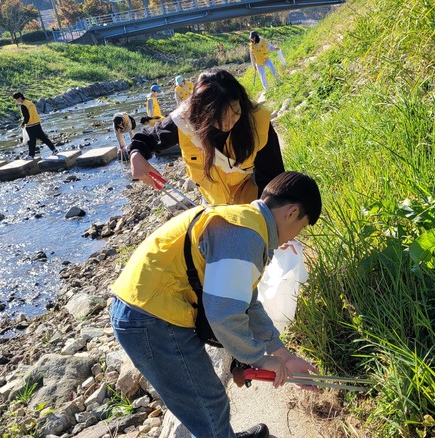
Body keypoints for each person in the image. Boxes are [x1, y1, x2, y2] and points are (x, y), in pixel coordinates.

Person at [110, 171, 323, 438]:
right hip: (149, 316)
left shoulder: (247, 222)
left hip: (147, 305)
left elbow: (248, 304)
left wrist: (284, 356)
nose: (295, 237)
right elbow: (224, 315)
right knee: (206, 403)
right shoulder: (246, 236)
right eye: (301, 227)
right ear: (292, 213)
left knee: (206, 399)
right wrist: (259, 358)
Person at [129, 69, 285, 205]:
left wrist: (265, 215)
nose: (228, 123)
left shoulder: (258, 123)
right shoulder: (183, 122)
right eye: (219, 117)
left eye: (236, 113)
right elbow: (146, 139)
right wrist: (136, 155)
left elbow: (272, 177)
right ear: (201, 112)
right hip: (212, 203)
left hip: (250, 202)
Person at [12, 92, 58, 159]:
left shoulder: (23, 105)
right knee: (44, 138)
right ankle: (54, 150)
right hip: (37, 122)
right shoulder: (30, 103)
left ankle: (31, 155)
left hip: (30, 125)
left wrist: (23, 123)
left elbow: (26, 116)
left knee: (31, 141)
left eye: (16, 99)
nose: (16, 101)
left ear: (19, 98)